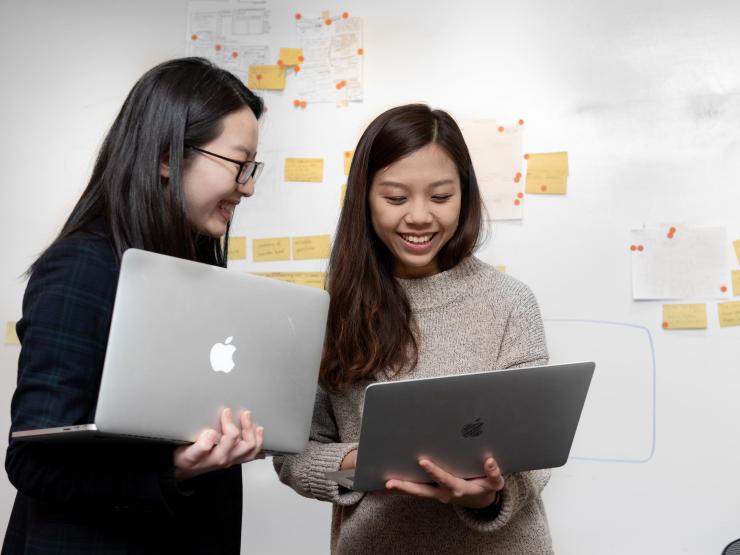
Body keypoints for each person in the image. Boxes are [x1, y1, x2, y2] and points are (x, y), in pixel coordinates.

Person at [4, 57, 266, 554]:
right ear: (168, 156)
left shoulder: (190, 272)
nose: (248, 186)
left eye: (252, 168)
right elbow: (32, 462)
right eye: (238, 164)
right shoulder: (82, 266)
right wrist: (173, 470)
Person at [274, 104, 554, 554]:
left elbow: (536, 452)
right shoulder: (332, 312)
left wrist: (491, 495)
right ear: (364, 198)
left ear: (465, 196)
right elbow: (293, 453)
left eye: (441, 197)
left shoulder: (509, 302)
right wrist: (365, 463)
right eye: (396, 198)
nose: (420, 216)